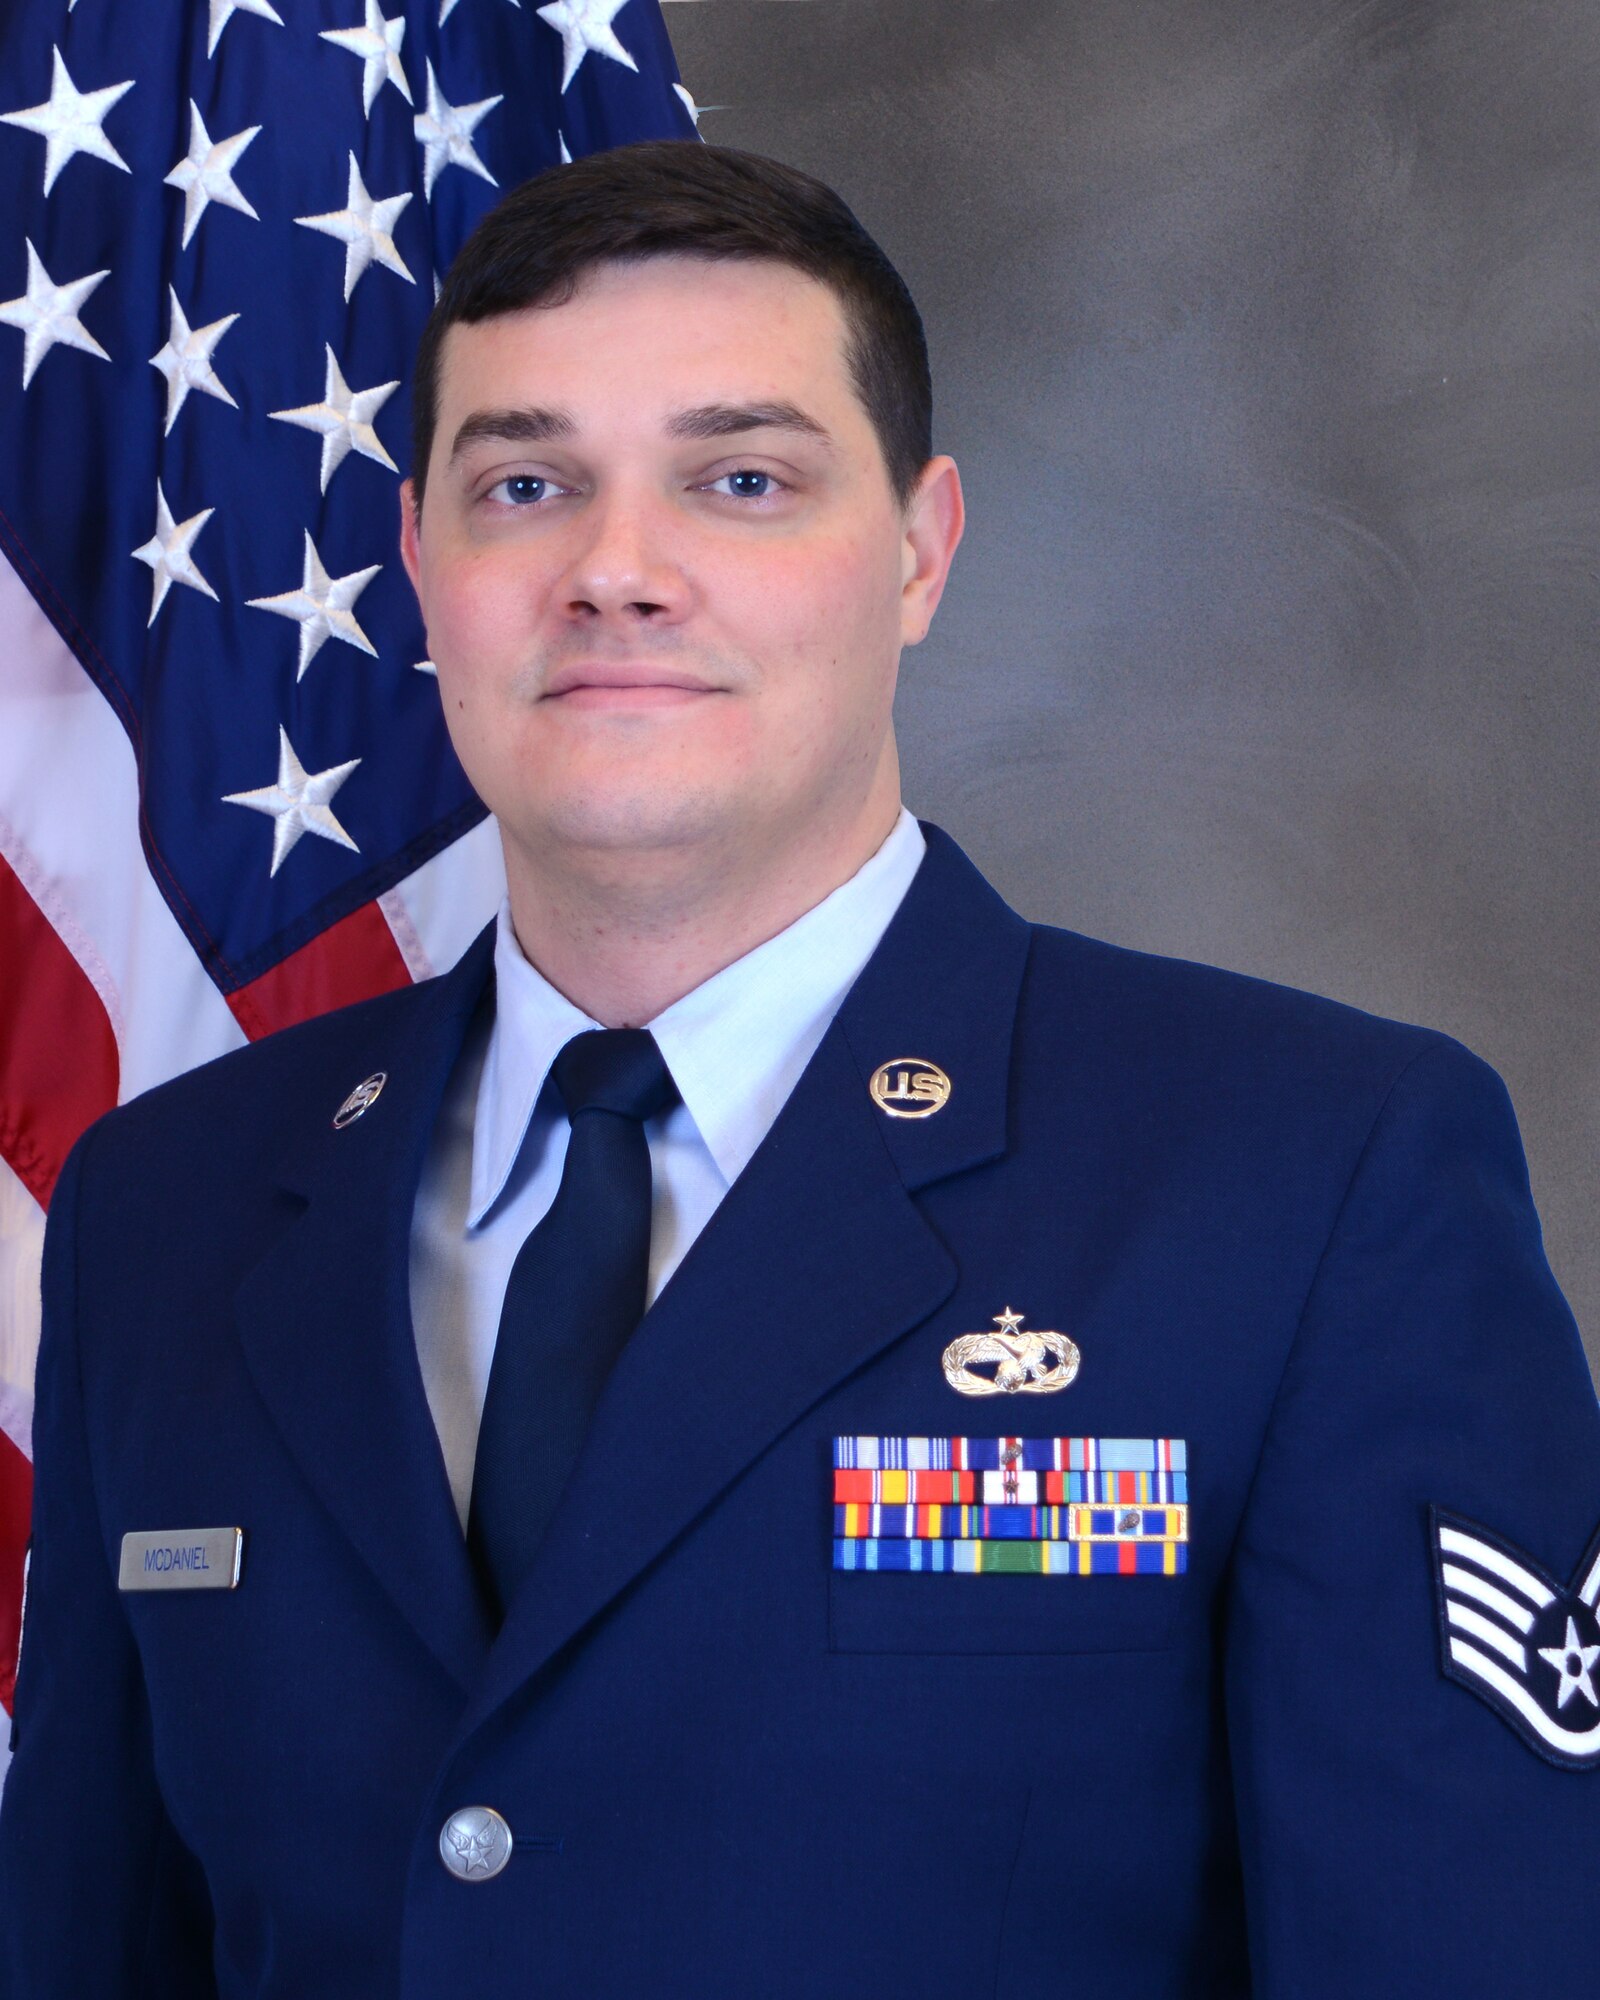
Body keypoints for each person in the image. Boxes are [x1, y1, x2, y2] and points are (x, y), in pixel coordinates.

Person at [1, 138, 1596, 1997]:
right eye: (527, 483)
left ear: (919, 556)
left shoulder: (1312, 1183)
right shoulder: (173, 1203)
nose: (616, 571)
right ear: (424, 564)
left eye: (739, 479)